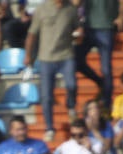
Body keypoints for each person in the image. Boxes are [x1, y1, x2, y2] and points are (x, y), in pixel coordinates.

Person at [24, 0, 81, 141]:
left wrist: (79, 34)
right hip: (46, 57)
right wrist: (28, 55)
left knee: (72, 85)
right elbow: (32, 34)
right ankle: (49, 128)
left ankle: (71, 105)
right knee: (46, 96)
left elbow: (78, 30)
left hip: (66, 55)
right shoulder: (41, 9)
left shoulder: (71, 9)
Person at [74, 0, 123, 106]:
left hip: (106, 26)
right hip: (88, 26)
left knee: (106, 69)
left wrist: (121, 16)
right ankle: (100, 82)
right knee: (75, 60)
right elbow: (76, 3)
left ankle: (107, 101)